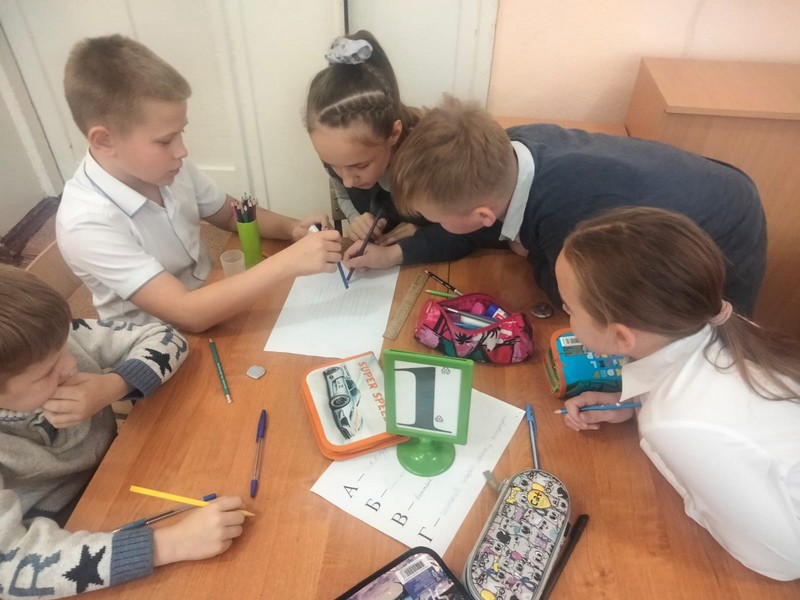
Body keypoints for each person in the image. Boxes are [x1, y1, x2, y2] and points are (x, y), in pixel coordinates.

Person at [555, 207, 800, 580]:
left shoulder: (674, 423)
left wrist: (696, 496)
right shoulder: (718, 322)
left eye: (569, 308)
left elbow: (783, 561)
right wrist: (633, 405)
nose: (565, 313)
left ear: (621, 335)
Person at [57, 34, 342, 332]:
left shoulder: (165, 167)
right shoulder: (86, 224)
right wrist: (288, 262)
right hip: (159, 338)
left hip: (212, 296)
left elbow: (231, 214)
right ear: (105, 140)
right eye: (165, 140)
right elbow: (186, 313)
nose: (182, 151)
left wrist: (292, 229)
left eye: (181, 132)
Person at [390, 97, 767, 316]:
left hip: (724, 228)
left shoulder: (566, 214)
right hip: (701, 184)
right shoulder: (512, 148)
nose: (429, 222)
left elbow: (572, 296)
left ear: (483, 216)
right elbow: (492, 229)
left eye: (433, 218)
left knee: (712, 346)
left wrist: (532, 254)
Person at [0, 265, 246, 597]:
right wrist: (169, 544)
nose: (70, 365)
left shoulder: (48, 342)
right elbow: (10, 567)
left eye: (64, 349)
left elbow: (167, 337)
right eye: (47, 373)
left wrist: (113, 385)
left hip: (117, 469)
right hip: (58, 530)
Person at [304, 31, 505, 272]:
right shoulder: (340, 156)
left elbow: (481, 225)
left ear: (394, 133)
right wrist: (356, 219)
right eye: (332, 164)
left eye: (360, 166)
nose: (347, 180)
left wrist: (428, 229)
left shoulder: (435, 155)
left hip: (450, 261)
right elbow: (344, 196)